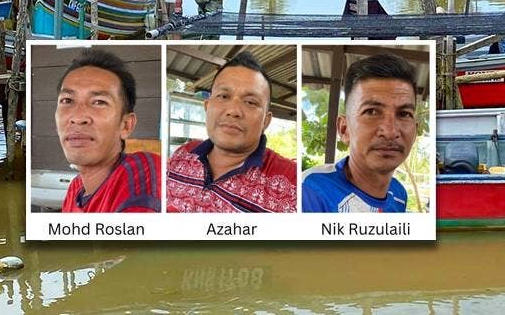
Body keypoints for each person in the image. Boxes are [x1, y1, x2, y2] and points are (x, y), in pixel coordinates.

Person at [166, 51, 297, 213]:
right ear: (207, 107)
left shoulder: (292, 182)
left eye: (250, 102)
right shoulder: (183, 154)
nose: (233, 110)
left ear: (266, 121)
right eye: (223, 96)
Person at [302, 53, 419, 213]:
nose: (390, 132)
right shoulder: (310, 194)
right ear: (344, 129)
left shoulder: (398, 194)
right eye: (371, 112)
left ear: (415, 131)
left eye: (404, 114)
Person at [55, 49, 161, 213]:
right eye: (67, 100)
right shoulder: (76, 187)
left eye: (98, 102)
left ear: (126, 125)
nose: (78, 117)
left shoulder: (143, 176)